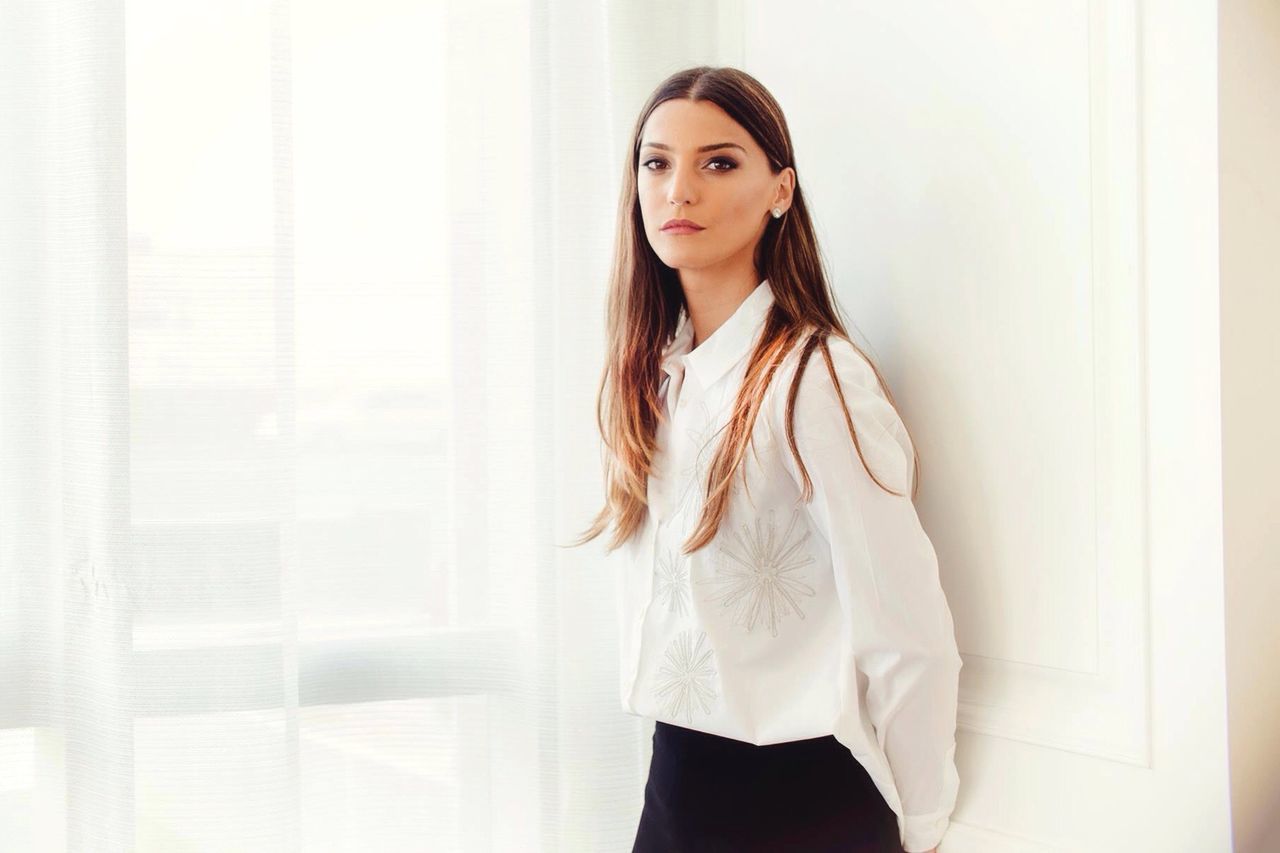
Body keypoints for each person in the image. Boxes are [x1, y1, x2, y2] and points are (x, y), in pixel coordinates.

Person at [571, 65, 962, 853]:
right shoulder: (657, 375)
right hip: (675, 785)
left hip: (799, 803)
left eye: (719, 162)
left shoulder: (814, 379)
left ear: (780, 189)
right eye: (657, 162)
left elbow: (907, 630)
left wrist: (922, 826)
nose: (679, 189)